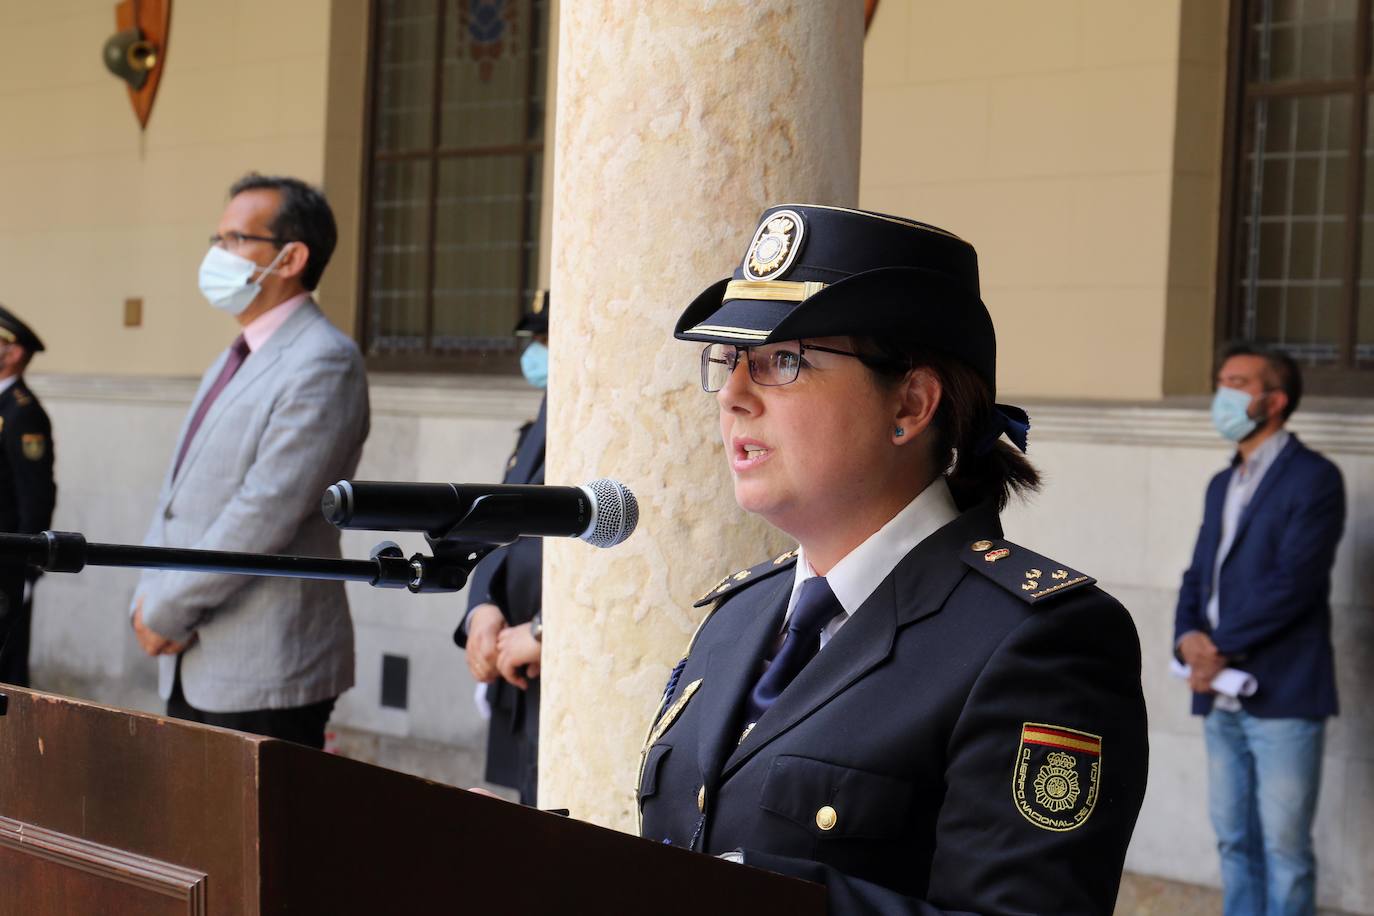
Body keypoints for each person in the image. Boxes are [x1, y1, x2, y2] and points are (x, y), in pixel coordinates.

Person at [637, 205, 1149, 914]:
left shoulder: (1038, 643)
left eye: (783, 361)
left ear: (910, 402)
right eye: (728, 362)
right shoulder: (739, 616)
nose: (733, 397)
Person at [130, 173, 369, 749]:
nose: (216, 255)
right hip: (196, 649)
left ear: (291, 257)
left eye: (235, 240)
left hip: (263, 664)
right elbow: (182, 491)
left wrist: (167, 608)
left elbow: (265, 511)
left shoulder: (322, 361)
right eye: (216, 239)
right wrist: (149, 591)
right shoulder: (239, 353)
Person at [1174, 344, 1344, 916]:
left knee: (1284, 848)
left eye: (1238, 382)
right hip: (1220, 696)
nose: (1222, 393)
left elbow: (1293, 584)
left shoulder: (1315, 479)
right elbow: (1198, 572)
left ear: (1274, 400)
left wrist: (1217, 647)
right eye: (1221, 380)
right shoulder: (1223, 483)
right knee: (1234, 840)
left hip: (1284, 696)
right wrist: (1187, 638)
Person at [454, 290, 549, 804]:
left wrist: (543, 630)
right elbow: (501, 526)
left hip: (552, 659)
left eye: (546, 339)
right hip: (518, 668)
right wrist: (482, 606)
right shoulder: (539, 421)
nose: (537, 351)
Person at [0, 306, 56, 686]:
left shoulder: (22, 413)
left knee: (5, 668)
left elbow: (36, 496)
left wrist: (29, 565)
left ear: (14, 352)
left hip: (5, 566)